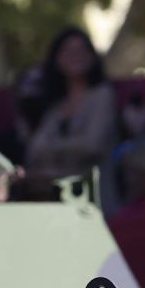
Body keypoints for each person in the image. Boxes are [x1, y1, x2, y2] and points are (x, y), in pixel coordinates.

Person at [22, 26, 117, 197]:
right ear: (56, 59)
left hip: (93, 193)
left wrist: (53, 148)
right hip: (55, 193)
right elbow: (34, 149)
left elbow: (92, 145)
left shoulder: (102, 95)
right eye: (68, 51)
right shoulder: (56, 105)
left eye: (81, 50)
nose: (76, 56)